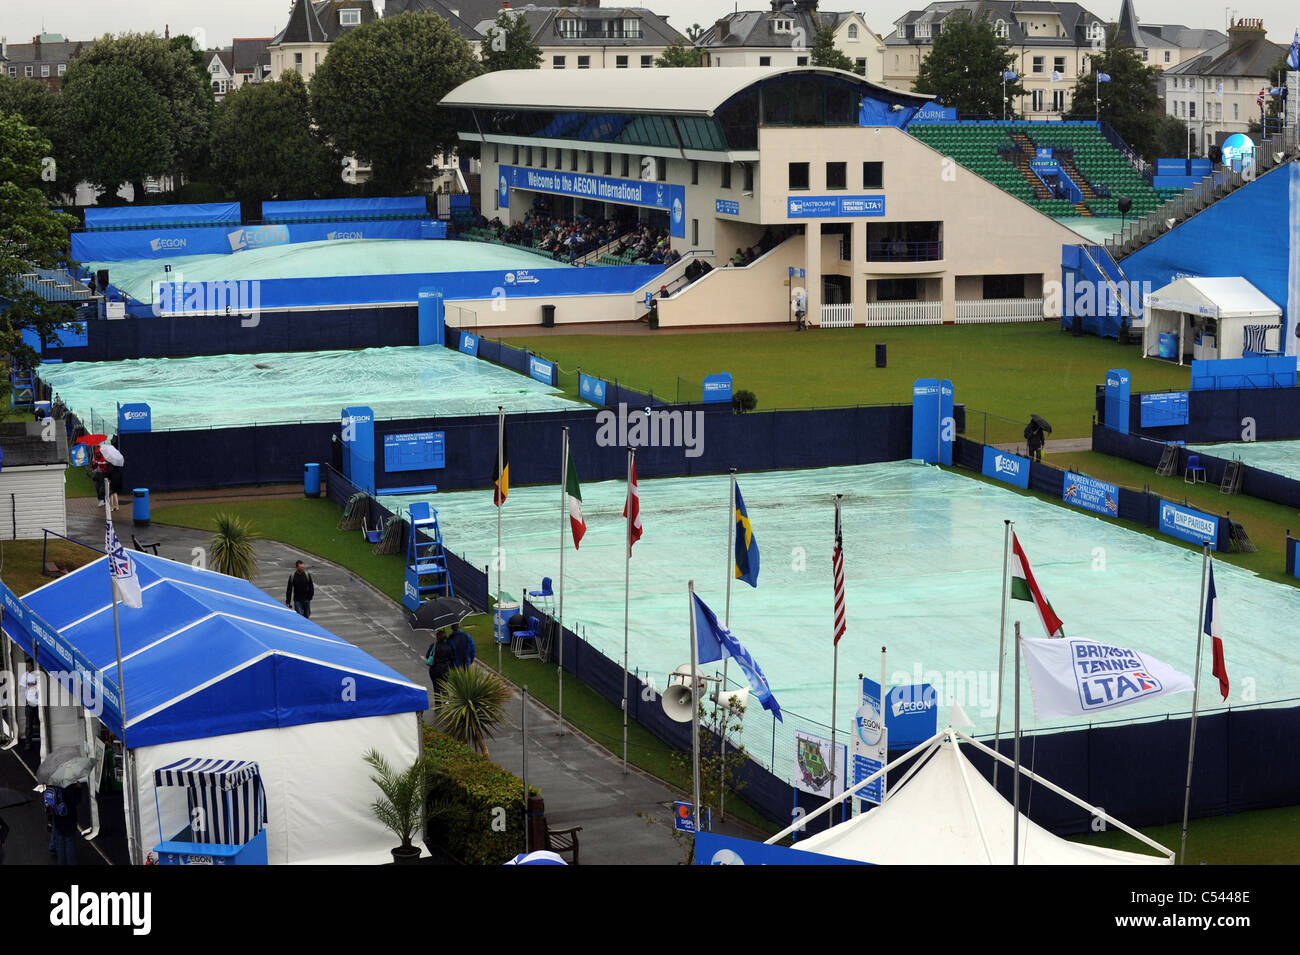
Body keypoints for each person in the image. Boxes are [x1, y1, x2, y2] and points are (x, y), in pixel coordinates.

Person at [49, 783, 82, 866]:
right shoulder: (70, 785)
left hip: (58, 817)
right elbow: (76, 800)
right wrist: (78, 788)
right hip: (69, 817)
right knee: (69, 843)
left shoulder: (53, 782)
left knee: (60, 843)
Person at [22, 659, 39, 752]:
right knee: (29, 725)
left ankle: (44, 742)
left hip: (38, 704)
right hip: (29, 705)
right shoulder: (25, 676)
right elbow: (23, 689)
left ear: (33, 666)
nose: (28, 668)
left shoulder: (38, 675)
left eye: (29, 666)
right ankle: (28, 744)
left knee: (41, 723)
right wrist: (25, 701)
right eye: (27, 666)